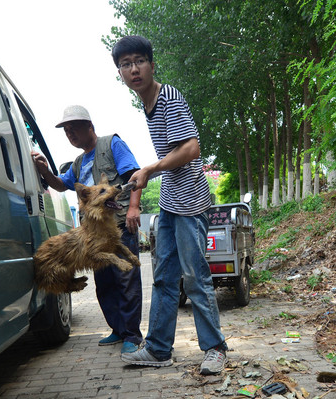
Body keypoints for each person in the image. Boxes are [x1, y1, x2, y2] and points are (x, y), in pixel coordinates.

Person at [112, 35, 229, 375]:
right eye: (125, 64)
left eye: (139, 61)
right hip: (169, 203)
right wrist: (147, 174)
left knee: (195, 278)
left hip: (190, 203)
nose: (134, 69)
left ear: (151, 63)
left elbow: (191, 149)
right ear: (119, 72)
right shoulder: (146, 103)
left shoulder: (169, 98)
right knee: (163, 279)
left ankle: (215, 348)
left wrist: (150, 168)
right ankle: (159, 349)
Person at [31, 105, 143, 354]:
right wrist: (45, 170)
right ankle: (117, 329)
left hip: (119, 222)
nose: (69, 134)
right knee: (104, 283)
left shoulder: (112, 143)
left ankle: (132, 336)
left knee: (126, 280)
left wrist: (134, 208)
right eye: (66, 131)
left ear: (88, 126)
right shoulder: (79, 162)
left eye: (73, 128)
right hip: (92, 234)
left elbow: (134, 176)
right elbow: (62, 185)